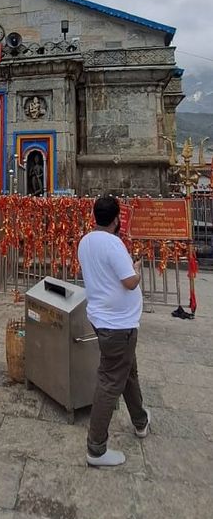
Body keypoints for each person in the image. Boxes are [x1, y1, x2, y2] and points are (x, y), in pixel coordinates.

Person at [78, 195, 149, 468]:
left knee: (127, 370)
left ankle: (140, 420)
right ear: (118, 218)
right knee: (110, 382)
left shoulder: (85, 242)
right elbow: (129, 282)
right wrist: (137, 271)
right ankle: (96, 448)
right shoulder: (114, 244)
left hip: (105, 319)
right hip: (117, 325)